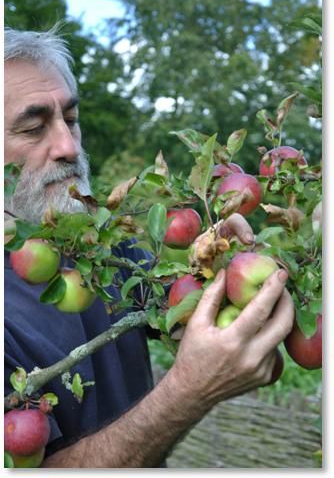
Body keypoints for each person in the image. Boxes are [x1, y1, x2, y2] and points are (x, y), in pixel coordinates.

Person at [4, 25, 294, 468]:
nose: (68, 145)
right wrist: (187, 393)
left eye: (71, 119)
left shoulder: (106, 251)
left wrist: (219, 265)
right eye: (32, 127)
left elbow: (236, 350)